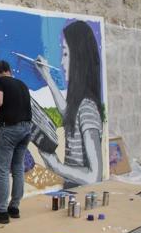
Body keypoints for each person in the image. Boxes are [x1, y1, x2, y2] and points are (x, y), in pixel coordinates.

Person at [35, 20, 103, 187]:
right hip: (73, 191)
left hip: (82, 195)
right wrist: (47, 77)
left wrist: (57, 166)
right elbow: (68, 113)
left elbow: (95, 177)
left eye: (65, 53)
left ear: (79, 57)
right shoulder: (80, 106)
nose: (61, 62)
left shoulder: (87, 108)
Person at [0, 60, 32, 224]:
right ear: (9, 70)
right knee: (17, 167)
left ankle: (1, 211)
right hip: (26, 129)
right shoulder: (22, 84)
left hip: (10, 129)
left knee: (2, 170)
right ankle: (14, 207)